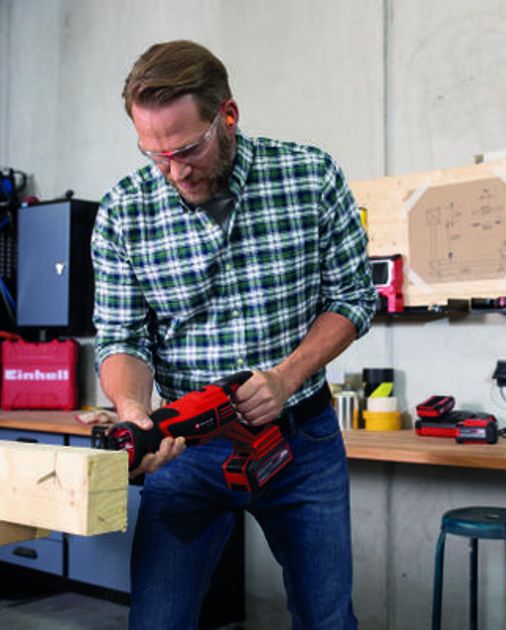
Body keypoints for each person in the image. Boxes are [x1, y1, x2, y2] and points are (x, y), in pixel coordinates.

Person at [84, 39, 375, 629]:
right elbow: (122, 337)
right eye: (155, 154)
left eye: (187, 149)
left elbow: (353, 297)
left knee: (326, 619)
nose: (174, 171)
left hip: (300, 440)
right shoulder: (123, 213)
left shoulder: (310, 176)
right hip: (186, 448)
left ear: (228, 115)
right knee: (157, 622)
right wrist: (136, 412)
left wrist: (286, 377)